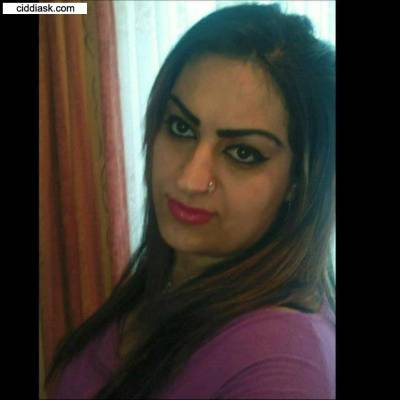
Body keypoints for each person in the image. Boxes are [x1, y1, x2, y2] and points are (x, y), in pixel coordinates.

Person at [46, 3, 335, 399]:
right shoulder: (164, 284)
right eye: (181, 127)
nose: (189, 179)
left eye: (243, 153)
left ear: (298, 182)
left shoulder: (281, 365)